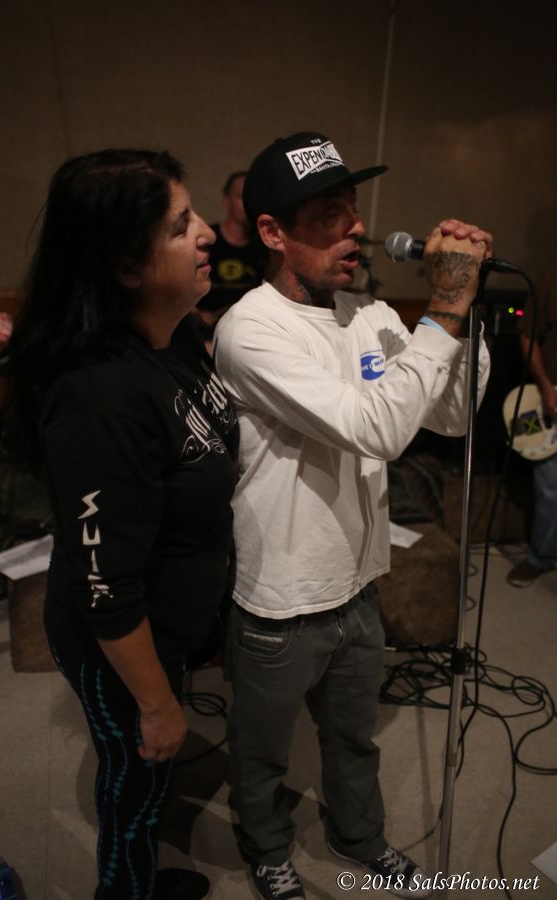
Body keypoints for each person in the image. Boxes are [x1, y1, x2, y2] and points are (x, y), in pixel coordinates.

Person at [213, 132, 492, 900]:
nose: (356, 229)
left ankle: (359, 835)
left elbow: (452, 415)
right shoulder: (250, 330)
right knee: (262, 752)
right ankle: (267, 848)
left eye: (354, 210)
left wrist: (461, 314)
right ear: (272, 232)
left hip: (359, 584)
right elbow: (376, 427)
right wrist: (442, 309)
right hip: (283, 595)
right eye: (329, 215)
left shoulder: (367, 313)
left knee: (352, 737)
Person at [5, 149, 239, 900]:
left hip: (166, 627)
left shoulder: (175, 337)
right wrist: (159, 704)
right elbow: (106, 588)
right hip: (118, 644)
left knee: (150, 778)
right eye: (180, 226)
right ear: (127, 267)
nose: (207, 233)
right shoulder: (100, 397)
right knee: (136, 789)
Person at [508, 265, 557, 586]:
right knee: (550, 488)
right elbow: (526, 335)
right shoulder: (550, 277)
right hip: (548, 403)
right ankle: (541, 556)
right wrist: (545, 387)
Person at [194, 171, 262, 347]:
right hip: (202, 332)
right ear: (226, 201)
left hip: (246, 332)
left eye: (250, 197)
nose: (246, 203)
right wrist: (195, 312)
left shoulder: (263, 244)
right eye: (240, 197)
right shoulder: (206, 241)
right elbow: (179, 283)